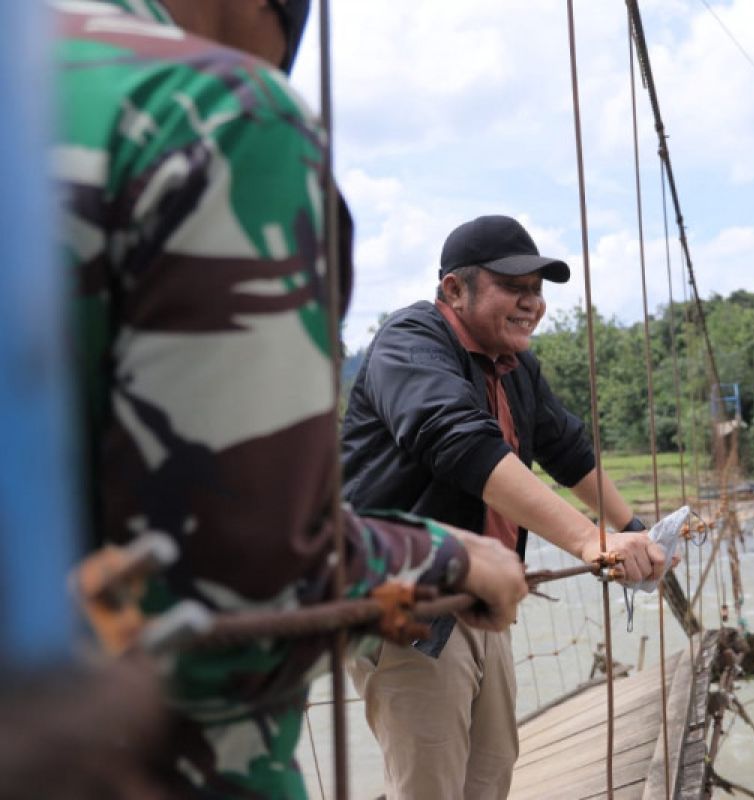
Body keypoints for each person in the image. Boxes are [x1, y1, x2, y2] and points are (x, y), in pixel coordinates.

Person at [54, 2, 527, 797]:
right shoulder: (211, 112)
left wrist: (610, 532)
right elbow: (244, 559)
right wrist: (447, 557)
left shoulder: (513, 368)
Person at [341, 214, 669, 799]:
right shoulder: (409, 344)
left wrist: (634, 529)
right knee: (429, 787)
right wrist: (592, 542)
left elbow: (569, 452)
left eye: (538, 291)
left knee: (490, 774)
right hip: (404, 607)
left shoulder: (514, 367)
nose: (532, 304)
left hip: (482, 601)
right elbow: (459, 443)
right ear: (453, 290)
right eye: (513, 287)